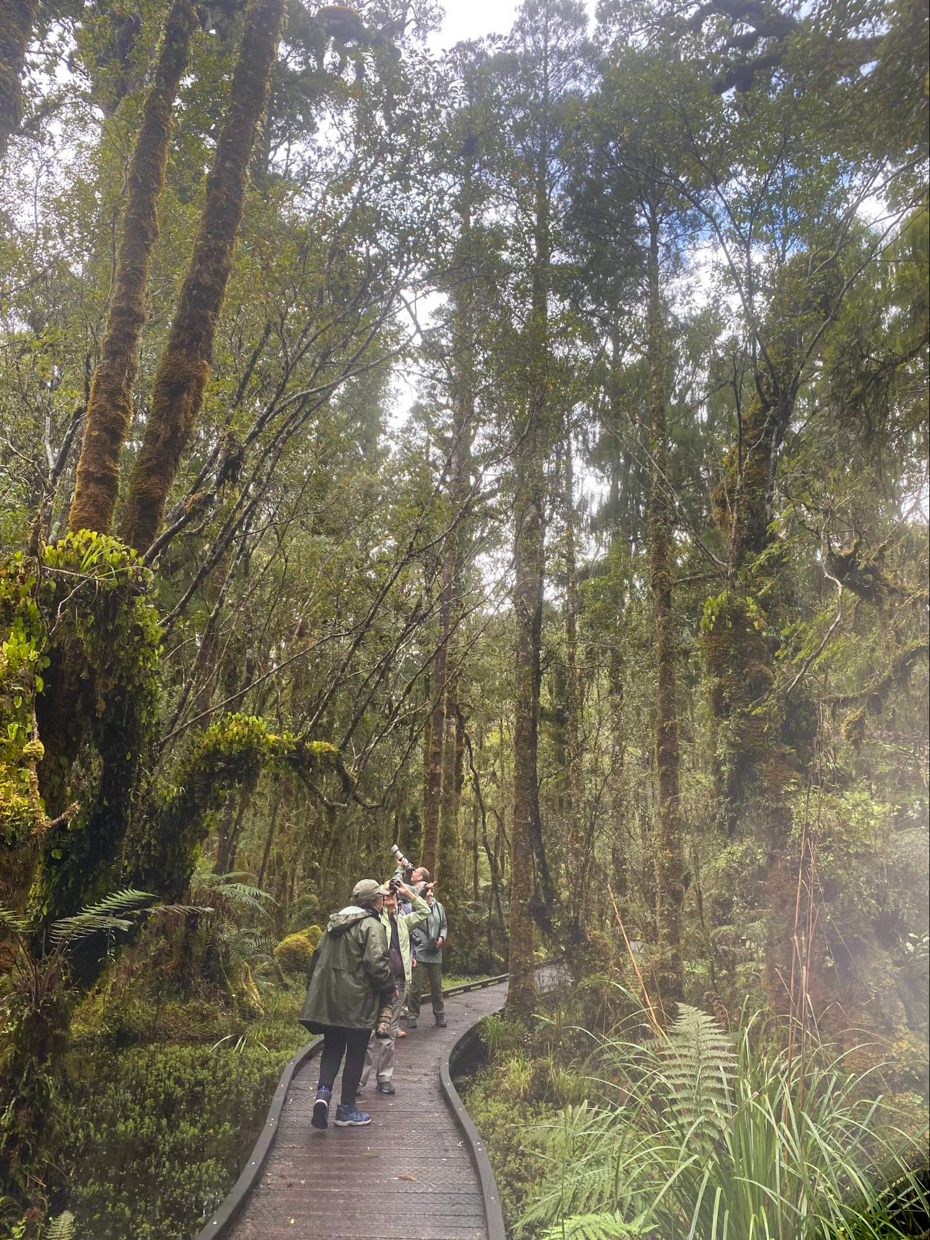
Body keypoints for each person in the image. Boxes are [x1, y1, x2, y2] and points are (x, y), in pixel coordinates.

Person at [299, 878, 396, 1130]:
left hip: (330, 1000)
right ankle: (346, 1109)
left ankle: (322, 1094)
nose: (383, 901)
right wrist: (388, 988)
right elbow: (376, 964)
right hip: (358, 1002)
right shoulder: (371, 925)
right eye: (380, 897)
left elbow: (316, 958)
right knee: (355, 1051)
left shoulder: (333, 924)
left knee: (332, 1048)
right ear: (373, 901)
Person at [358, 878, 429, 1094]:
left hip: (398, 982)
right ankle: (359, 1080)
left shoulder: (403, 922)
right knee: (369, 1032)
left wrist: (408, 892)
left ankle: (384, 1078)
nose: (389, 896)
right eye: (385, 895)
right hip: (375, 982)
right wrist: (384, 888)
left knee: (389, 1031)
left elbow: (425, 911)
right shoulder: (376, 919)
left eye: (392, 894)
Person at [407, 878, 448, 1029]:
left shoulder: (439, 907)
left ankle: (439, 1015)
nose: (428, 889)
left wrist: (442, 937)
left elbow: (443, 925)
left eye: (429, 887)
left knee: (437, 986)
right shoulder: (415, 906)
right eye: (424, 888)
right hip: (420, 950)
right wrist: (423, 889)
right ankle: (412, 1015)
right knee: (416, 986)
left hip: (435, 951)